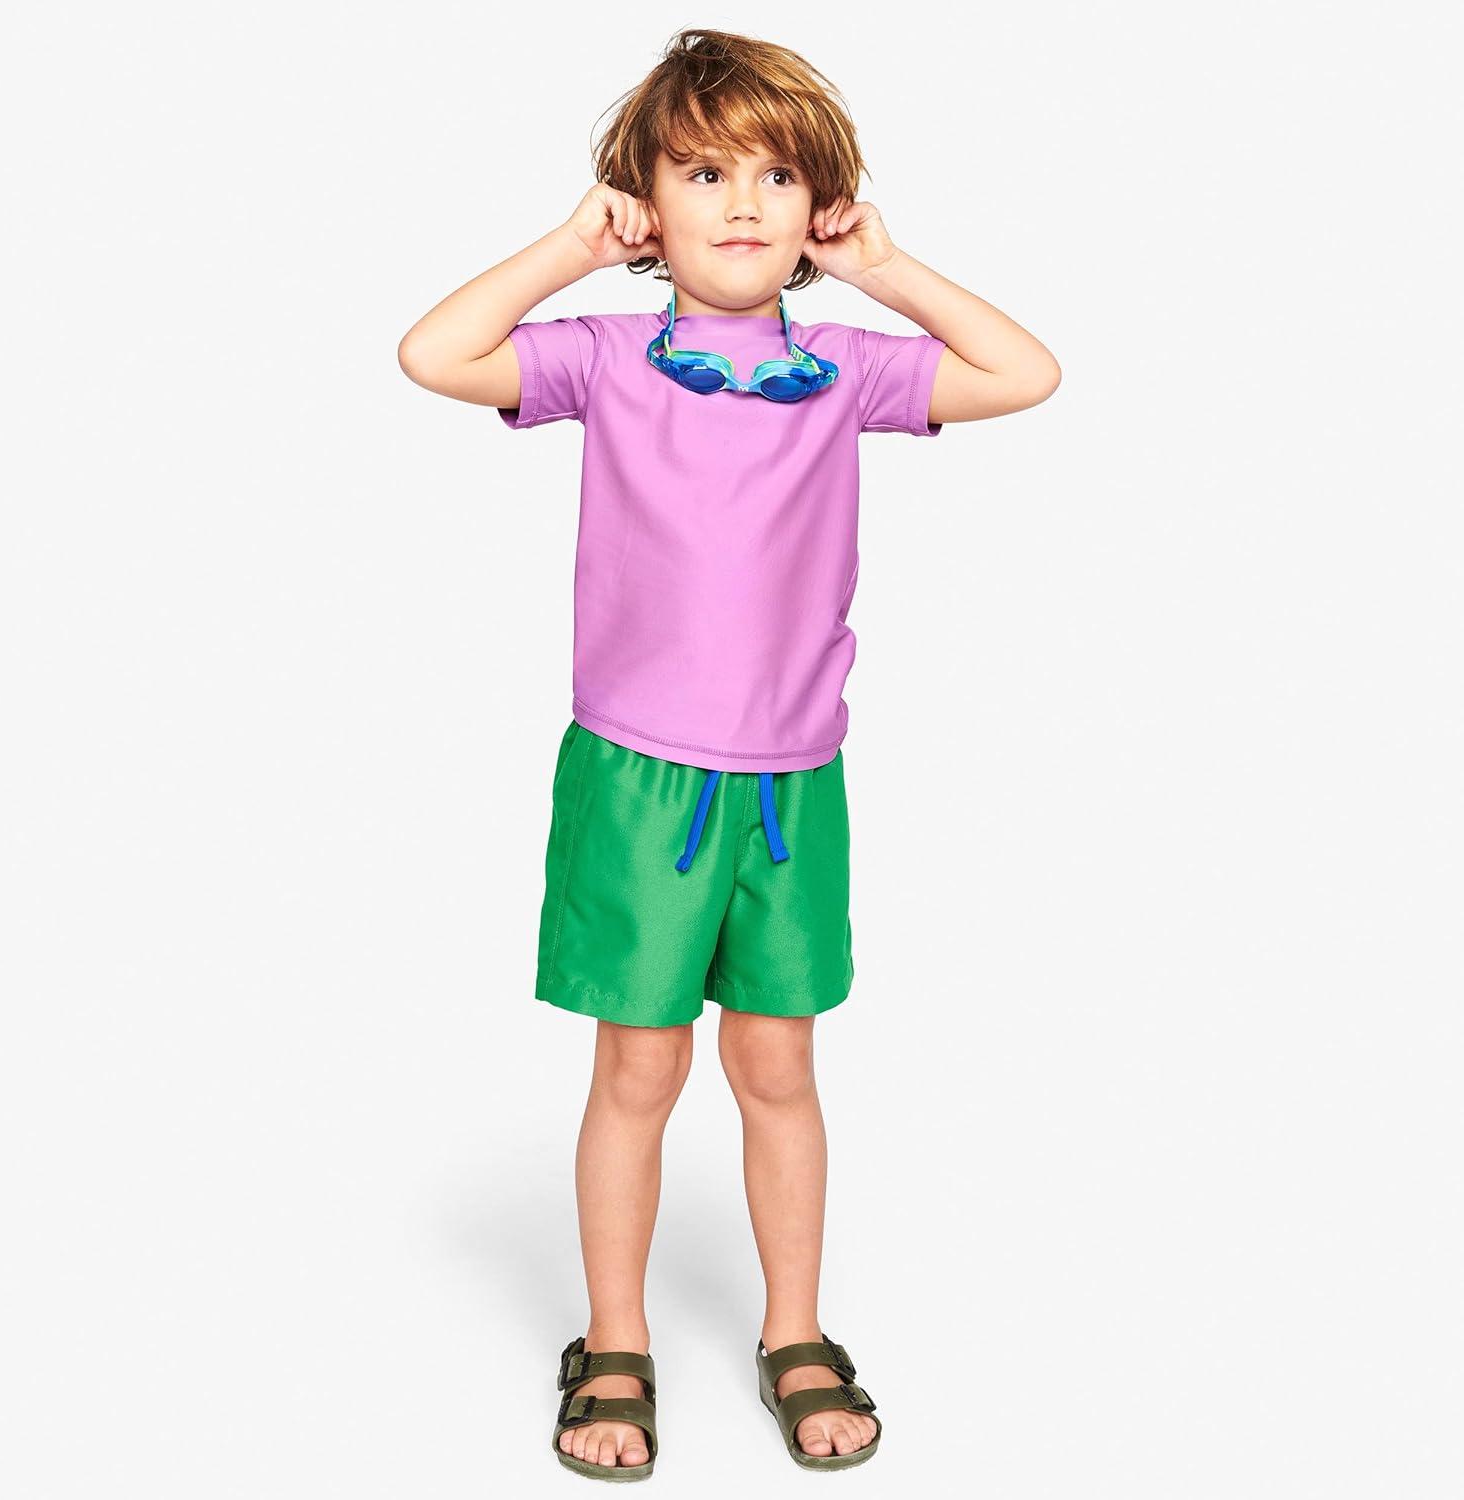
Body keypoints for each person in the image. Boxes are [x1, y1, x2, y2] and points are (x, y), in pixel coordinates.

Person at [398, 26, 1060, 1481]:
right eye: (703, 172)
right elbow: (432, 353)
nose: (744, 201)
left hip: (791, 784)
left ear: (819, 203)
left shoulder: (844, 373)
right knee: (638, 1069)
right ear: (647, 198)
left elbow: (1025, 372)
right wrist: (572, 247)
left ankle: (794, 1330)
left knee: (777, 1063)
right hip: (636, 778)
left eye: (776, 174)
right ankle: (615, 1338)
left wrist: (888, 270)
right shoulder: (605, 358)